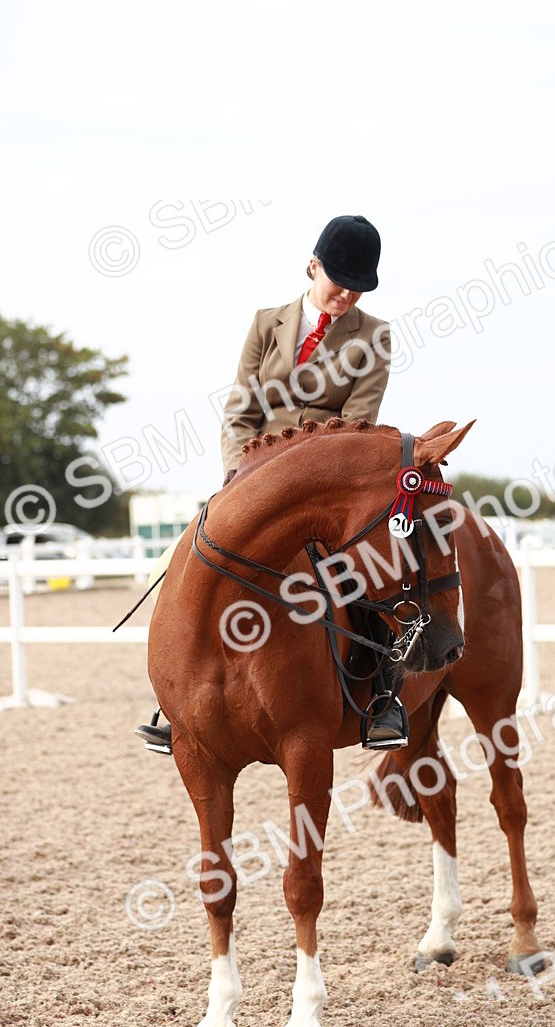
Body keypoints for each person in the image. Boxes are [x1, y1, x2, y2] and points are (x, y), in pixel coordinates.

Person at [135, 215, 406, 754]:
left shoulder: (373, 335)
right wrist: (240, 478)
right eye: (339, 281)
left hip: (329, 482)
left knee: (365, 574)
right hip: (251, 477)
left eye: (359, 287)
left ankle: (382, 697)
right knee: (185, 563)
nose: (347, 294)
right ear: (313, 266)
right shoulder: (266, 323)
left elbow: (355, 425)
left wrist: (306, 480)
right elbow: (240, 408)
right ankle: (175, 702)